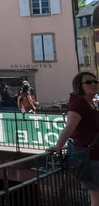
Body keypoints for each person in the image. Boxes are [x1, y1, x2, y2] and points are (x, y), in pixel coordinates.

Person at [48, 73, 99, 205]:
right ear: (79, 86)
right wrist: (58, 146)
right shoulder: (78, 103)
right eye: (89, 82)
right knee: (96, 198)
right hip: (91, 158)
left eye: (95, 81)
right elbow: (70, 126)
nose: (94, 84)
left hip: (95, 156)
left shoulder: (90, 103)